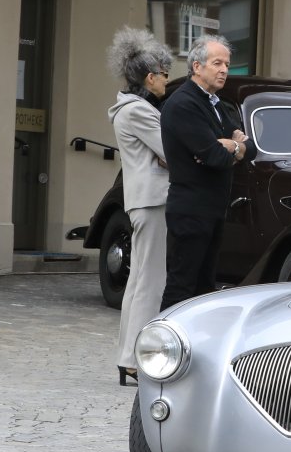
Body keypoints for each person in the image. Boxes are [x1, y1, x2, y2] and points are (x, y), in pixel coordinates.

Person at [159, 35, 253, 309]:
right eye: (217, 63)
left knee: (203, 291)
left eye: (227, 64)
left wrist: (232, 146)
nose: (224, 70)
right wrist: (230, 148)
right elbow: (214, 157)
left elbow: (251, 149)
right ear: (197, 66)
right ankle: (163, 336)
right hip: (190, 211)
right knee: (181, 288)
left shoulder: (216, 104)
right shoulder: (184, 104)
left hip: (212, 210)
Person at [107, 28, 174, 386]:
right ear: (150, 78)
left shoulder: (131, 109)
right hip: (152, 198)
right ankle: (135, 358)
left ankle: (127, 356)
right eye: (164, 74)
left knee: (138, 280)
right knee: (150, 280)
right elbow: (171, 151)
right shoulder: (139, 112)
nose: (166, 80)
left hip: (143, 198)